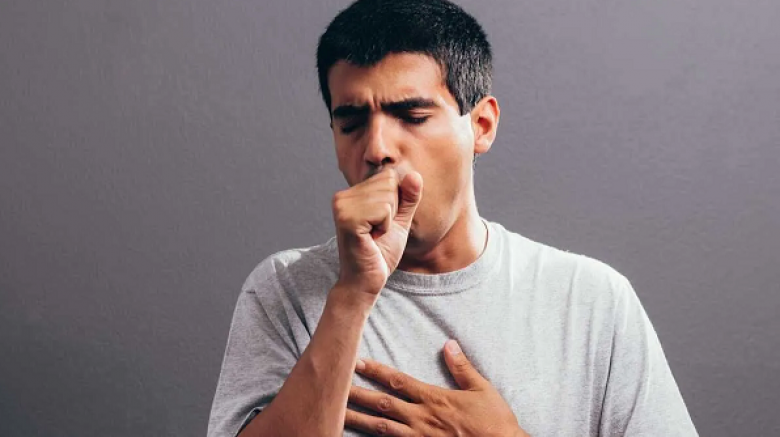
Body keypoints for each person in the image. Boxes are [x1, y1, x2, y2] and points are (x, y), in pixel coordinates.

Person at [207, 0, 698, 436]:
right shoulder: (285, 291)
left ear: (481, 126)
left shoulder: (591, 300)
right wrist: (352, 295)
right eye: (351, 124)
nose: (377, 148)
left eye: (413, 117)